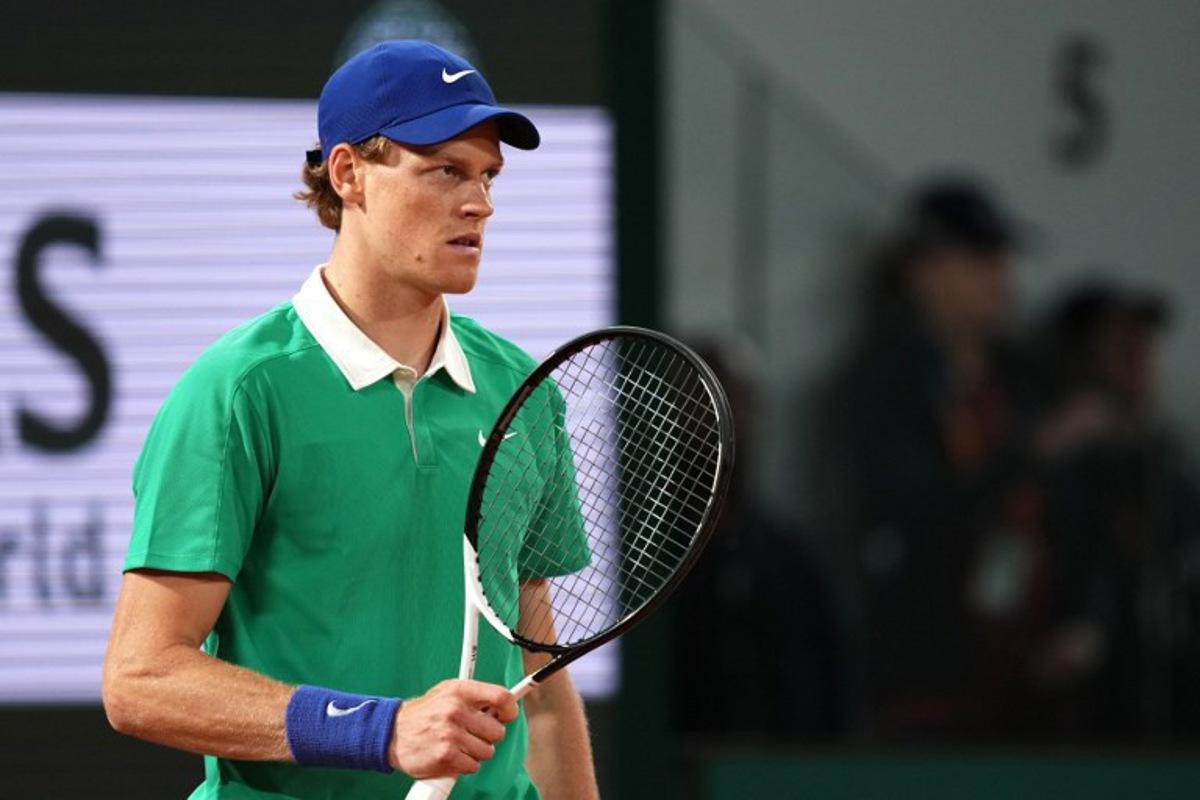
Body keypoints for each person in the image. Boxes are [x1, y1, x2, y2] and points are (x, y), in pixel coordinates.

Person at [102, 40, 599, 799]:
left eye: (489, 176)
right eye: (446, 171)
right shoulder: (240, 390)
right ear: (348, 175)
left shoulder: (521, 392)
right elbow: (142, 678)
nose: (481, 204)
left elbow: (542, 686)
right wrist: (383, 731)